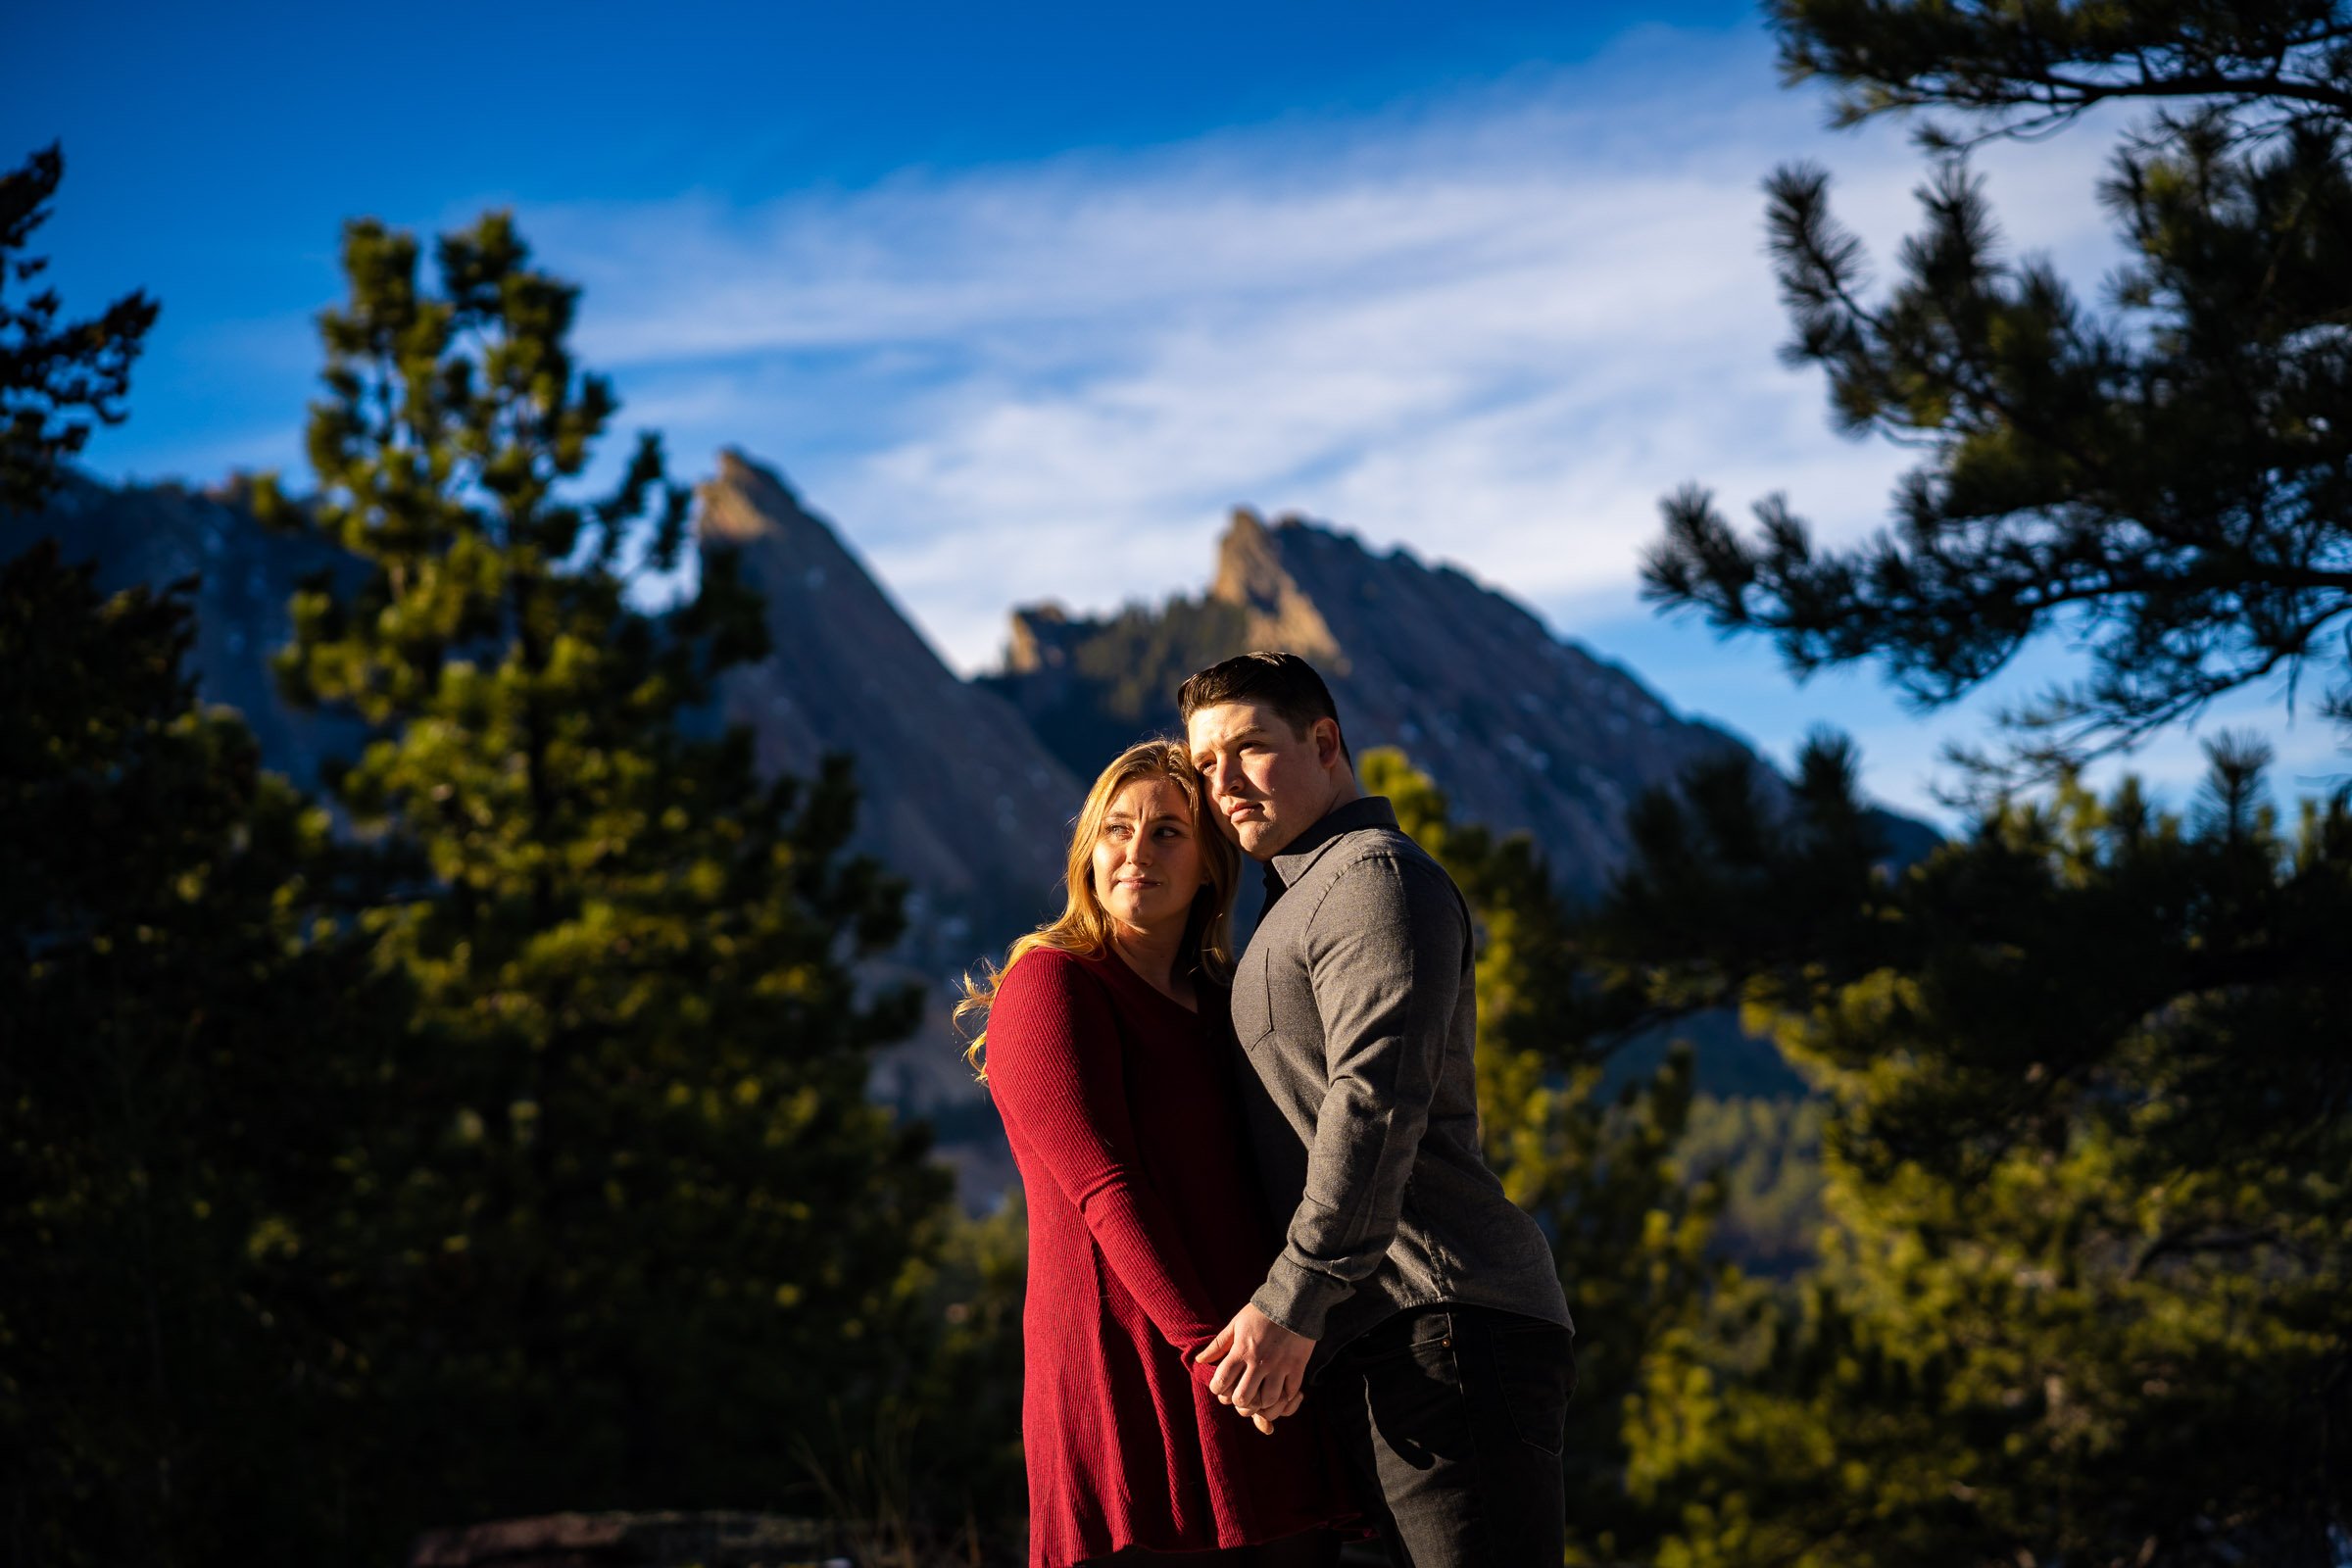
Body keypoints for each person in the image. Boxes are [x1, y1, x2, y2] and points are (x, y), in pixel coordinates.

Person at [1179, 652, 1576, 1568]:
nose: (1224, 783)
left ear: (1326, 743)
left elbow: (1375, 1102)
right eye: (1205, 764)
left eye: (1249, 748)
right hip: (1381, 1337)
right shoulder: (1298, 893)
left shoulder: (1372, 878)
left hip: (1445, 1325)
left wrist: (1294, 1297)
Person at [958, 739, 1358, 1568]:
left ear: (1211, 864)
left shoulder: (1225, 1002)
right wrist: (1214, 1356)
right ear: (1088, 852)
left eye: (1169, 832)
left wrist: (1290, 1334)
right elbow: (1106, 1188)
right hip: (1144, 1375)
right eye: (1116, 829)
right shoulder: (1055, 983)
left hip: (1257, 1363)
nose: (1136, 851)